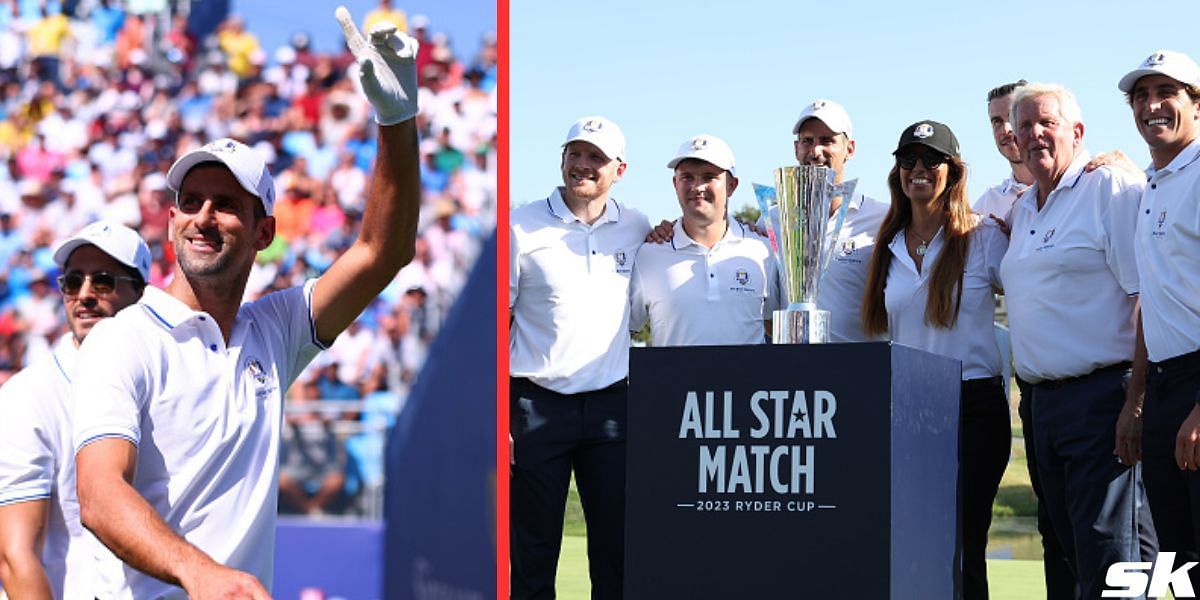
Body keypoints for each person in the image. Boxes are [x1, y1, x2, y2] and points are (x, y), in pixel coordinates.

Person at [70, 8, 421, 598]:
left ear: (264, 232)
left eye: (226, 203)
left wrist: (396, 119)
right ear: (172, 220)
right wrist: (201, 573)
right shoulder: (122, 337)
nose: (203, 217)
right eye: (191, 201)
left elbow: (382, 251)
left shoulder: (274, 329)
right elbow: (100, 496)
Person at [1000, 82, 1153, 599]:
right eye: (1025, 126)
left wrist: (1136, 401)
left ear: (1078, 132)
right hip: (1042, 406)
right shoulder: (1024, 209)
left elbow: (1148, 298)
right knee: (1070, 552)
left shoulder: (1107, 185)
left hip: (1103, 398)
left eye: (1047, 122)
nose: (1035, 134)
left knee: (1114, 561)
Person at [860, 121, 1010, 600]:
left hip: (974, 407)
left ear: (953, 171)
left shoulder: (984, 236)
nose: (919, 170)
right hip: (909, 412)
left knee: (964, 544)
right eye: (909, 161)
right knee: (916, 546)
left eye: (931, 161)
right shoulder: (886, 246)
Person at [509, 116, 650, 599]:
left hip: (612, 406)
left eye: (596, 158)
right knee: (533, 550)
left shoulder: (637, 226)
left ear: (620, 169)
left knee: (617, 550)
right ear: (563, 158)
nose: (583, 166)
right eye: (576, 154)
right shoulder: (520, 224)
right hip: (535, 405)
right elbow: (498, 322)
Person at [0, 221, 150, 599]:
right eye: (71, 282)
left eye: (102, 280)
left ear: (141, 294)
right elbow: (15, 556)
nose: (84, 295)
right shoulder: (29, 394)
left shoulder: (165, 378)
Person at [976, 80, 1077, 600]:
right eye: (997, 122)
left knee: (1105, 537)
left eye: (1011, 119)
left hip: (1097, 386)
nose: (1008, 131)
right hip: (1033, 389)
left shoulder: (1090, 181)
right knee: (1053, 528)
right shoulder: (988, 203)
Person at [1119, 49, 1200, 592]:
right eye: (1141, 96)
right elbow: (1153, 299)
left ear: (1196, 104)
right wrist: (1136, 399)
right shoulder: (1151, 184)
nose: (1152, 105)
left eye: (1167, 93)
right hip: (1165, 387)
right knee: (1177, 561)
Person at [629, 134, 780, 346]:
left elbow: (774, 325)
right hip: (672, 381)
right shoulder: (649, 254)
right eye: (687, 177)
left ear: (731, 186)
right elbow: (626, 331)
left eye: (709, 177)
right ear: (675, 183)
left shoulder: (762, 249)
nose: (697, 187)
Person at [774, 99, 889, 342]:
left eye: (827, 141)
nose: (816, 152)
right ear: (796, 149)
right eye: (808, 141)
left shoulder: (882, 218)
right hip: (794, 373)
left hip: (860, 372)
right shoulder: (773, 219)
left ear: (850, 149)